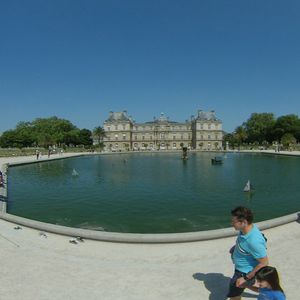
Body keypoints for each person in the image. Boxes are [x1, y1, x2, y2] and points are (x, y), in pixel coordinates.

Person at [227, 206, 268, 299]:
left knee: (234, 295)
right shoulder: (245, 230)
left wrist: (245, 278)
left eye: (234, 222)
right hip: (240, 269)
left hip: (243, 273)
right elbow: (245, 244)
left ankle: (267, 291)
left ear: (244, 222)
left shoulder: (253, 241)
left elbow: (264, 263)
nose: (232, 223)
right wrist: (235, 248)